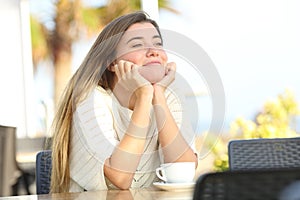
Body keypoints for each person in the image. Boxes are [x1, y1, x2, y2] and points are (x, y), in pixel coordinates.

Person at [50, 11, 198, 193]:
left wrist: (158, 95)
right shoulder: (89, 99)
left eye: (158, 43)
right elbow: (120, 177)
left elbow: (183, 172)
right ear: (112, 63)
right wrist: (144, 96)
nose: (154, 52)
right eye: (137, 45)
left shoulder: (168, 95)